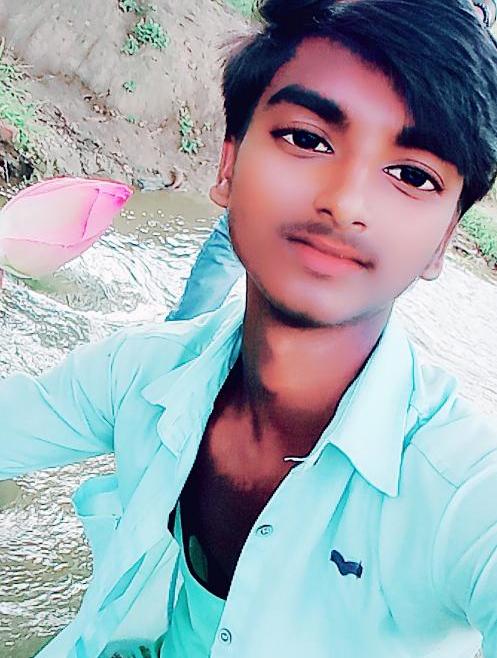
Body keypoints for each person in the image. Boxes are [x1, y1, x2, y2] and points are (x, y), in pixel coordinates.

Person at [1, 1, 497, 657]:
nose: (344, 203)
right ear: (227, 167)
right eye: (306, 139)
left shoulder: (461, 489)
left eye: (412, 176)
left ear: (443, 242)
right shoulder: (142, 373)